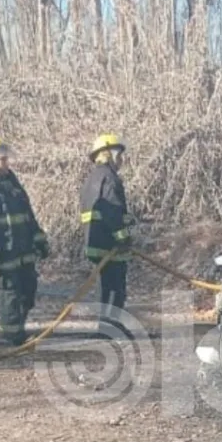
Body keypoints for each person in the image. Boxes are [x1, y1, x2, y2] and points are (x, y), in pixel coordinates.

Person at [0, 135, 50, 346]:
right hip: (4, 251)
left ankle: (19, 327)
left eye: (7, 157)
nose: (7, 162)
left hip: (23, 249)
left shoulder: (11, 181)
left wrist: (39, 238)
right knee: (11, 294)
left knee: (28, 289)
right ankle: (13, 336)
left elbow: (28, 214)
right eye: (2, 158)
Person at [79, 133, 133, 336]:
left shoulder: (92, 179)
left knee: (105, 286)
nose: (121, 159)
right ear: (107, 154)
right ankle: (111, 327)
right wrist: (123, 238)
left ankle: (106, 326)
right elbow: (113, 213)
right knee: (115, 287)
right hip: (110, 244)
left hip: (96, 242)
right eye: (118, 154)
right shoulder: (110, 178)